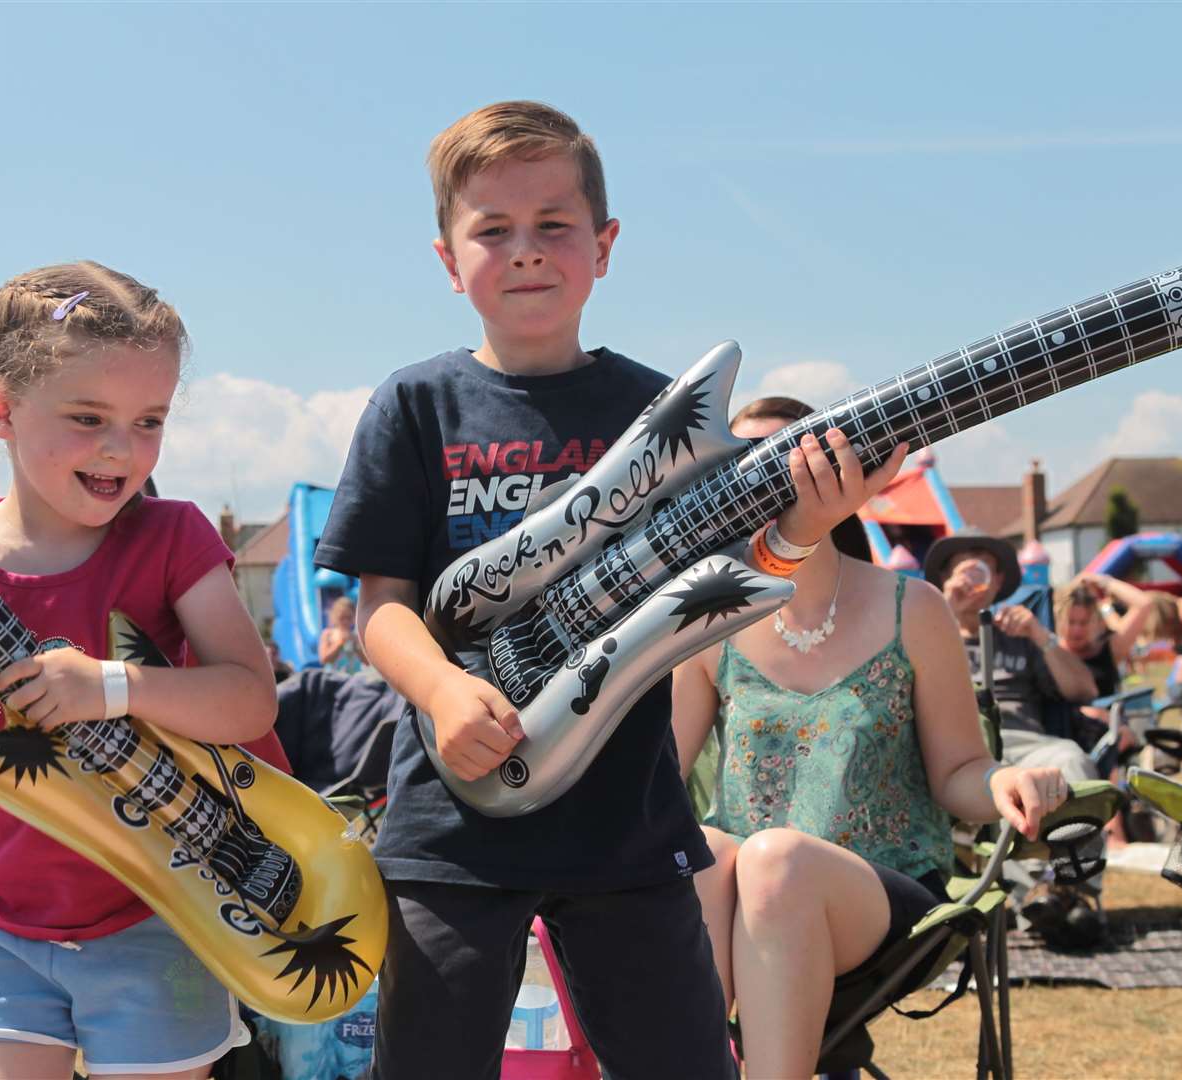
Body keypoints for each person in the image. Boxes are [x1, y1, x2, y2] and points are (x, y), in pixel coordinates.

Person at [314, 101, 906, 1080]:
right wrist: (442, 689)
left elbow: (727, 583)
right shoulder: (415, 406)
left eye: (554, 225)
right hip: (449, 832)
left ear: (604, 245)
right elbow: (384, 608)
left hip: (625, 825)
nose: (526, 251)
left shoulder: (658, 409)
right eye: (491, 230)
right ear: (445, 259)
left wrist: (807, 522)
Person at [0, 262, 278, 1080]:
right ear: (1, 410)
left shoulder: (172, 538)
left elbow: (248, 698)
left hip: (159, 913)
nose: (122, 449)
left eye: (149, 420)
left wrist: (108, 686)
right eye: (89, 417)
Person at [671, 398, 1071, 1077]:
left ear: (840, 474)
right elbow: (654, 786)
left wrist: (1003, 778)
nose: (761, 481)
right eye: (738, 467)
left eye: (783, 458)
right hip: (740, 892)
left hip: (886, 897)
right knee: (705, 850)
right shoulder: (707, 621)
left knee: (776, 861)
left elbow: (958, 770)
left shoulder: (911, 608)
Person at [923, 529, 1104, 947]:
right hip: (958, 746)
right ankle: (1032, 894)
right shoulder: (928, 634)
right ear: (946, 577)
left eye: (984, 567)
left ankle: (1074, 892)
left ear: (999, 582)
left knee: (1072, 759)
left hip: (1024, 741)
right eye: (963, 567)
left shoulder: (1020, 638)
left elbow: (1084, 690)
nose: (974, 577)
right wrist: (945, 611)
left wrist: (1042, 637)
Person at [318, 596, 364, 674]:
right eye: (342, 617)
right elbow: (323, 659)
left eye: (349, 618)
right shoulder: (328, 634)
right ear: (335, 616)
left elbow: (367, 662)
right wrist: (340, 643)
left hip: (352, 680)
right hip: (333, 679)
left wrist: (356, 646)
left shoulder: (356, 636)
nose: (345, 621)